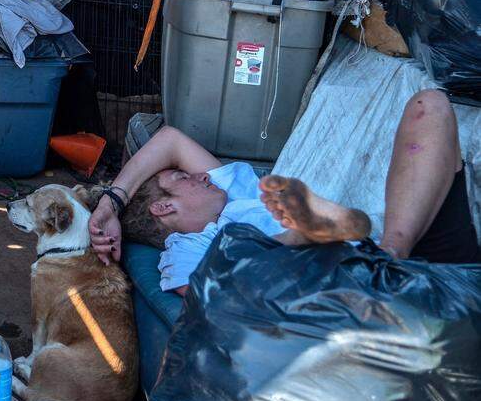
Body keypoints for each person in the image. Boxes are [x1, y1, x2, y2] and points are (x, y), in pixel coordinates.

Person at [89, 89, 480, 296]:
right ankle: (361, 260)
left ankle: (391, 254)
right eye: (185, 178)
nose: (204, 175)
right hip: (351, 297)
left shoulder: (236, 190)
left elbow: (169, 139)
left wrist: (112, 200)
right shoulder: (187, 249)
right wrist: (293, 242)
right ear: (163, 207)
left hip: (393, 259)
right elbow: (211, 300)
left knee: (430, 105)